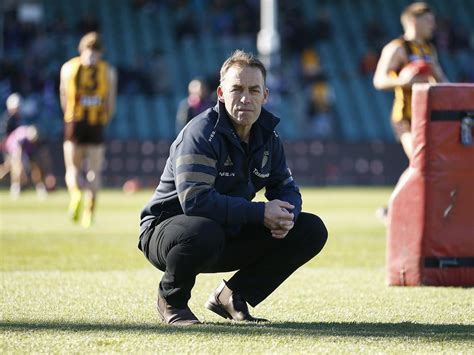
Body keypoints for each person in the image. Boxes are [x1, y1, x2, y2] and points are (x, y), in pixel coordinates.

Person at [139, 50, 328, 326]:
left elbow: (287, 188)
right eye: (236, 89)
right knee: (204, 229)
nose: (245, 98)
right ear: (220, 93)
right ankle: (172, 300)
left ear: (265, 96)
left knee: (310, 229)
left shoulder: (268, 137)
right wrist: (261, 213)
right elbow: (196, 202)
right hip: (168, 231)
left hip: (224, 230)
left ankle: (232, 296)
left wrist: (287, 214)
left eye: (254, 90)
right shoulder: (201, 133)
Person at [373, 2, 448, 160]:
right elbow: (379, 80)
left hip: (427, 115)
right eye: (428, 21)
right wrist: (403, 81)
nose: (432, 25)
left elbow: (441, 84)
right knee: (420, 161)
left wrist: (437, 74)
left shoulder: (429, 50)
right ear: (414, 21)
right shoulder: (397, 48)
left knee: (428, 164)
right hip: (405, 117)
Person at [59, 32, 117, 228]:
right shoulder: (108, 71)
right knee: (94, 171)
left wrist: (70, 118)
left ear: (81, 48)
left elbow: (63, 98)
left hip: (74, 122)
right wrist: (104, 120)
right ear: (101, 51)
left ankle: (75, 194)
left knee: (72, 169)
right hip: (96, 124)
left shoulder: (67, 68)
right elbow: (110, 102)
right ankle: (89, 212)